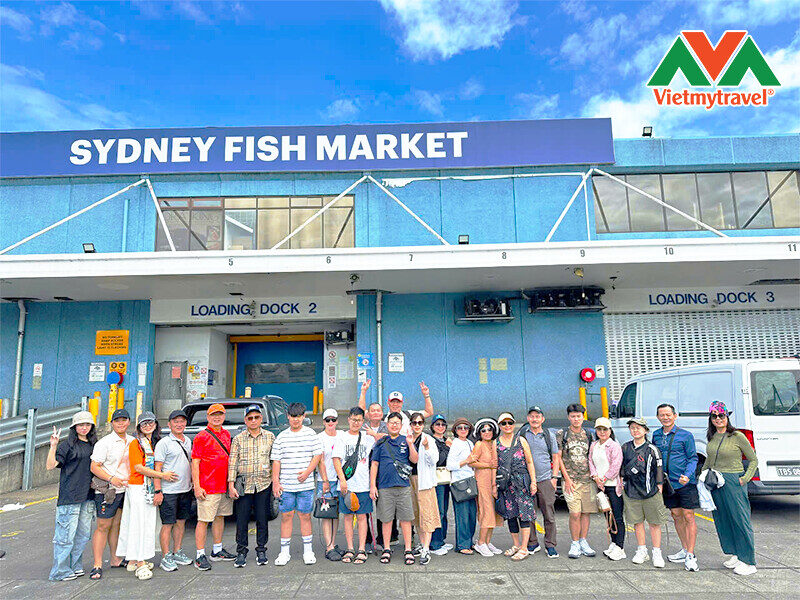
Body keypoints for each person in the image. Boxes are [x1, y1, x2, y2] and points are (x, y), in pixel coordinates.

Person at [117, 412, 178, 580]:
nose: (147, 426)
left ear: (156, 424)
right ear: (139, 427)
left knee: (144, 523)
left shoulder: (151, 442)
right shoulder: (136, 443)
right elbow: (138, 467)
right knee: (140, 525)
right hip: (138, 487)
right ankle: (141, 562)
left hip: (146, 487)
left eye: (150, 422)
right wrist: (162, 475)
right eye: (144, 424)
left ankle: (134, 559)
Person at [702, 401, 759, 576]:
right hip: (716, 482)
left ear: (727, 417)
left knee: (740, 519)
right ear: (711, 419)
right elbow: (709, 459)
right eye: (714, 416)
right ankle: (735, 553)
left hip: (733, 481)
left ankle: (748, 561)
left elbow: (753, 460)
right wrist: (702, 476)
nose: (718, 419)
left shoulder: (737, 436)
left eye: (721, 415)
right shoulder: (712, 437)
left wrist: (744, 479)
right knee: (723, 519)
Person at [46, 411, 97, 581]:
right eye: (80, 425)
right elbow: (50, 466)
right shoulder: (67, 445)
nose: (84, 427)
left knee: (83, 535)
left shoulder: (93, 444)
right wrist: (53, 445)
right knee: (65, 536)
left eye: (87, 424)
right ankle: (59, 571)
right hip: (70, 497)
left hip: (88, 497)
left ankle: (75, 566)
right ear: (74, 427)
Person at [271, 402, 323, 566]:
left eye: (299, 416)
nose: (296, 420)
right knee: (286, 516)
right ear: (288, 417)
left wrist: (308, 472)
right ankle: (284, 552)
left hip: (306, 486)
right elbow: (276, 461)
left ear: (304, 417)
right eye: (293, 417)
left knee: (305, 516)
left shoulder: (311, 434)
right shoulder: (281, 437)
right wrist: (276, 482)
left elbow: (317, 455)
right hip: (286, 486)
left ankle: (308, 551)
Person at [653, 403, 700, 571]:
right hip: (668, 484)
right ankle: (684, 549)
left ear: (675, 416)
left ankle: (691, 555)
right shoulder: (656, 435)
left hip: (684, 482)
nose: (665, 417)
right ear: (658, 417)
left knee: (688, 516)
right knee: (676, 515)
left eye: (668, 414)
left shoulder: (685, 435)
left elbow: (693, 458)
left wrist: (687, 475)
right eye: (662, 415)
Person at [89, 408, 134, 580]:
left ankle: (115, 558)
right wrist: (111, 478)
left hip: (125, 490)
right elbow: (94, 466)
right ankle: (97, 564)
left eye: (124, 420)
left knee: (116, 524)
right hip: (107, 490)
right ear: (112, 423)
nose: (121, 423)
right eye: (117, 420)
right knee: (103, 526)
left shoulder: (132, 441)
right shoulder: (105, 443)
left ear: (129, 422)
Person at [228, 404, 275, 567]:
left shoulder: (270, 437)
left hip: (263, 484)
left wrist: (276, 482)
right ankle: (241, 551)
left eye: (256, 417)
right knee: (242, 519)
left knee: (262, 518)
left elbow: (274, 461)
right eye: (250, 418)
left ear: (261, 419)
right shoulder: (238, 439)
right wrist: (231, 484)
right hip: (244, 485)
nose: (253, 421)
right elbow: (232, 462)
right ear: (245, 420)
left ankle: (261, 550)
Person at [370, 412, 418, 565]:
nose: (394, 425)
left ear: (401, 425)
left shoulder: (406, 440)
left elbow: (414, 460)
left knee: (405, 519)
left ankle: (408, 549)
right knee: (386, 519)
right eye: (392, 422)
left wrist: (411, 444)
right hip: (385, 487)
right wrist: (372, 485)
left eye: (397, 423)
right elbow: (374, 464)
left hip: (403, 487)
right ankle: (386, 548)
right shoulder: (381, 442)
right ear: (387, 424)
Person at [191, 403, 236, 570]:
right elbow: (195, 463)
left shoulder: (226, 434)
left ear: (224, 416)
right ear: (208, 417)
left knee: (220, 517)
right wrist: (197, 486)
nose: (217, 417)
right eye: (213, 415)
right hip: (207, 487)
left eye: (220, 414)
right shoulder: (201, 437)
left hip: (223, 486)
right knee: (203, 520)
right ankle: (200, 555)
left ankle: (217, 550)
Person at [621, 417, 666, 568]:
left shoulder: (652, 449)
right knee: (637, 522)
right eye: (632, 428)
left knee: (654, 523)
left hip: (650, 491)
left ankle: (657, 552)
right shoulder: (626, 447)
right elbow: (621, 468)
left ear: (645, 430)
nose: (635, 430)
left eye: (638, 428)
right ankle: (642, 550)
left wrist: (659, 486)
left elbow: (659, 468)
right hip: (632, 491)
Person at [333, 406, 376, 564]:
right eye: (353, 419)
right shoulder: (342, 437)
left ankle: (362, 549)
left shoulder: (367, 437)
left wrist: (374, 433)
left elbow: (384, 440)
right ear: (348, 420)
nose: (356, 422)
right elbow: (336, 459)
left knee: (362, 517)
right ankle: (350, 548)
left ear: (363, 421)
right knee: (348, 517)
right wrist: (342, 480)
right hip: (347, 485)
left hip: (363, 485)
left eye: (359, 420)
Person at [153, 409, 194, 572]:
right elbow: (157, 468)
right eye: (175, 422)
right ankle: (166, 556)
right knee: (167, 524)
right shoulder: (164, 443)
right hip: (168, 491)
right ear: (169, 424)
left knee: (181, 522)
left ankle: (177, 551)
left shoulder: (188, 441)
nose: (179, 424)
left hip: (185, 489)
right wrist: (158, 490)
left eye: (182, 421)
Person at [518, 405, 560, 558]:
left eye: (537, 416)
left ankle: (550, 545)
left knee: (549, 514)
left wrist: (554, 478)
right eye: (532, 416)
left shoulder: (549, 435)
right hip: (526, 480)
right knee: (528, 514)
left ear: (542, 419)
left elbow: (556, 457)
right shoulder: (522, 434)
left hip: (544, 480)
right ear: (528, 418)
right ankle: (532, 542)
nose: (534, 419)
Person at [557, 403, 597, 559]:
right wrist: (566, 479)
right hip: (571, 481)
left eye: (578, 416)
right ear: (568, 417)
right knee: (575, 513)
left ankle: (583, 541)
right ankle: (574, 543)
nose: (576, 419)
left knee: (586, 512)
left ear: (583, 417)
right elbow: (558, 458)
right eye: (573, 416)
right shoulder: (562, 434)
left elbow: (593, 456)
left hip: (587, 480)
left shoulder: (589, 434)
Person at [495, 413, 537, 561]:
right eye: (504, 423)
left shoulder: (521, 440)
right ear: (500, 426)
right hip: (506, 485)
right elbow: (495, 465)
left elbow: (530, 462)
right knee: (511, 515)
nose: (507, 426)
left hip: (522, 482)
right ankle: (516, 544)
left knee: (524, 515)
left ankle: (524, 548)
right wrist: (495, 485)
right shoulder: (496, 443)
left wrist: (533, 481)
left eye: (510, 423)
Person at [588, 417, 625, 561]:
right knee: (608, 517)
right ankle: (613, 543)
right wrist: (595, 477)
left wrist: (603, 479)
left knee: (617, 517)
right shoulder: (594, 445)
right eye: (599, 429)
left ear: (610, 431)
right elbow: (590, 461)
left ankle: (620, 547)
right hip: (600, 486)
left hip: (612, 486)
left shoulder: (614, 446)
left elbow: (616, 465)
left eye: (605, 429)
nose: (602, 432)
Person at [409, 412, 440, 565]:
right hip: (410, 481)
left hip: (424, 482)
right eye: (414, 422)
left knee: (427, 514)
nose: (417, 425)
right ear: (410, 425)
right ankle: (422, 544)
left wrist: (427, 447)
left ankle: (426, 549)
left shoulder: (428, 440)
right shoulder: (408, 439)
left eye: (420, 423)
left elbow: (434, 460)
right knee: (417, 515)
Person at [470, 417, 502, 557]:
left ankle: (488, 541)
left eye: (489, 429)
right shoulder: (479, 445)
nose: (487, 432)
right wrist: (488, 465)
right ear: (479, 432)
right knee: (486, 511)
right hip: (482, 482)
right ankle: (481, 542)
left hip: (493, 482)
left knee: (493, 513)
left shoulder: (494, 444)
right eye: (484, 430)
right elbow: (471, 462)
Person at [317, 408, 344, 561]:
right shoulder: (320, 438)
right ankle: (328, 547)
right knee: (327, 514)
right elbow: (320, 461)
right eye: (328, 420)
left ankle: (333, 543)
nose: (331, 423)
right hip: (326, 481)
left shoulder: (341, 435)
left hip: (339, 479)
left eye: (333, 419)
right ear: (323, 422)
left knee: (336, 513)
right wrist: (325, 480)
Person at [360, 380, 434, 436]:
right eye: (392, 402)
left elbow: (429, 412)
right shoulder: (382, 418)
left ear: (402, 403)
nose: (395, 404)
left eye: (398, 402)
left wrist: (426, 395)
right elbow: (362, 412)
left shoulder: (409, 414)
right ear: (388, 403)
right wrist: (363, 391)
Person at [447, 418, 477, 555]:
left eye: (466, 427)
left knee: (471, 514)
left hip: (471, 481)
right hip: (460, 483)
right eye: (460, 428)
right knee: (462, 515)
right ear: (456, 431)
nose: (463, 430)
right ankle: (462, 544)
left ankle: (469, 542)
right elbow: (450, 465)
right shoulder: (456, 444)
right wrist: (467, 461)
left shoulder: (470, 443)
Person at [429, 414, 453, 555]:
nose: (440, 427)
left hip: (446, 479)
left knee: (444, 511)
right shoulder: (430, 440)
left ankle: (442, 540)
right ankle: (435, 543)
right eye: (437, 424)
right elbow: (438, 459)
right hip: (435, 479)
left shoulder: (446, 440)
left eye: (443, 424)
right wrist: (448, 447)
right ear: (432, 426)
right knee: (438, 511)